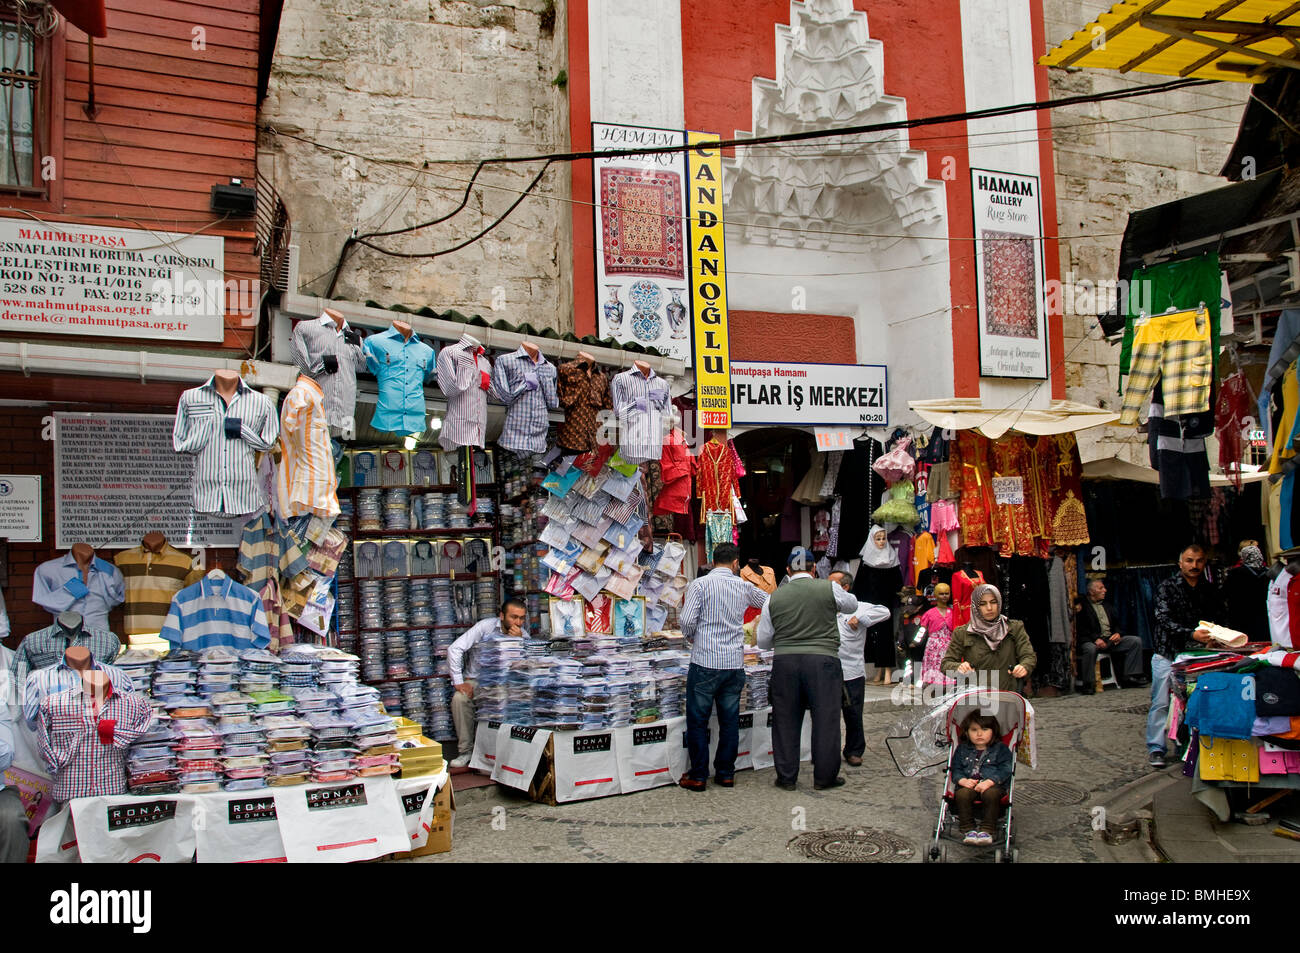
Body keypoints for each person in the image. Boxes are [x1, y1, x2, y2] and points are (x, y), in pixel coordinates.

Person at [757, 547, 859, 791]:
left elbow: (763, 641)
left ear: (788, 570)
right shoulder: (829, 587)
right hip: (823, 663)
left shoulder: (774, 596)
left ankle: (787, 777)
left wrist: (786, 639)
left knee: (785, 720)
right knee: (826, 719)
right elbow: (852, 605)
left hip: (785, 664)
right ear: (814, 568)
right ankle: (824, 777)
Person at [677, 543, 769, 792]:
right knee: (729, 720)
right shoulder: (743, 585)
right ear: (736, 563)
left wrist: (692, 637)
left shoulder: (700, 585)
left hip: (705, 661)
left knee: (698, 720)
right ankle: (726, 773)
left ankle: (698, 775)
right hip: (733, 664)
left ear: (712, 561)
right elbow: (768, 602)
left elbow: (685, 621)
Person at [1148, 543, 1224, 769]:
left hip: (1199, 655)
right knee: (1160, 702)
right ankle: (1156, 748)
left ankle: (1193, 747)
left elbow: (1219, 616)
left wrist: (1215, 636)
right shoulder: (1167, 587)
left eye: (1199, 561)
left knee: (1198, 700)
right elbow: (1163, 618)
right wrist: (1191, 633)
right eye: (1190, 561)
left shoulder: (1209, 589)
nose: (1194, 565)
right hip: (1168, 652)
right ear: (1180, 563)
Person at [447, 599, 529, 767]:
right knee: (459, 699)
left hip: (506, 684)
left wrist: (519, 642)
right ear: (501, 616)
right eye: (514, 617)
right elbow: (455, 649)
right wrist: (459, 682)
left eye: (521, 618)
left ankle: (506, 754)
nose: (518, 622)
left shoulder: (524, 635)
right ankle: (466, 752)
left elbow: (529, 665)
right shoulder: (485, 627)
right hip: (478, 681)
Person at [828, 570, 890, 767]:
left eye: (833, 584)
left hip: (852, 670)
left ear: (845, 588)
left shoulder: (858, 607)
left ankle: (854, 750)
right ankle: (826, 751)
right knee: (826, 714)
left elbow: (885, 611)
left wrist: (861, 619)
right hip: (827, 669)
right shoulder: (823, 607)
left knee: (853, 713)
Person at [940, 584, 1036, 692]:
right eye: (983, 604)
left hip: (1008, 696)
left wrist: (1024, 666)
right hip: (976, 698)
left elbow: (1028, 656)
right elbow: (946, 664)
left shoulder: (1014, 628)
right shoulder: (963, 632)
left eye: (993, 602)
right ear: (975, 606)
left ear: (999, 603)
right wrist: (959, 667)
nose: (989, 608)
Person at [951, 711, 1013, 846]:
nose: (979, 734)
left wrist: (990, 782)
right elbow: (956, 769)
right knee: (961, 794)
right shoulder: (962, 749)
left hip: (993, 785)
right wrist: (963, 781)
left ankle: (987, 829)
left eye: (984, 729)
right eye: (974, 730)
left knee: (991, 794)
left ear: (993, 731)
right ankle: (968, 829)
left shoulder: (1000, 749)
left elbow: (1006, 769)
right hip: (969, 784)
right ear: (967, 732)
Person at [1074, 579, 1146, 694]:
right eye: (1100, 588)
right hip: (1092, 640)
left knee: (1135, 641)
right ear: (1092, 592)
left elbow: (1117, 624)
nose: (1104, 590)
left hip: (1109, 640)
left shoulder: (1107, 605)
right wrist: (1095, 639)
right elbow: (1081, 628)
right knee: (1090, 649)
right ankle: (1088, 684)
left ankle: (1130, 677)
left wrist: (1118, 634)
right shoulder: (1084, 606)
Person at [855, 525, 902, 684]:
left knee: (886, 635)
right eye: (878, 538)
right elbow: (860, 584)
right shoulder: (866, 560)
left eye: (883, 538)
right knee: (872, 636)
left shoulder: (891, 557)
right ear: (872, 540)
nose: (881, 542)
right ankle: (878, 671)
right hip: (870, 602)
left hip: (886, 602)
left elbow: (897, 582)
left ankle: (888, 671)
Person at [1223, 542, 1270, 643]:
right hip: (1265, 621)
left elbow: (1226, 595)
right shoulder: (1268, 573)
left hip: (1242, 621)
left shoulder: (1234, 574)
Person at [919, 583, 956, 688]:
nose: (944, 596)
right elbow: (922, 629)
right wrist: (916, 641)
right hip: (933, 646)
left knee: (947, 665)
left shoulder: (953, 612)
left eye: (946, 593)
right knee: (933, 666)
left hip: (949, 645)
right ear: (935, 594)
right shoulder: (929, 613)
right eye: (941, 594)